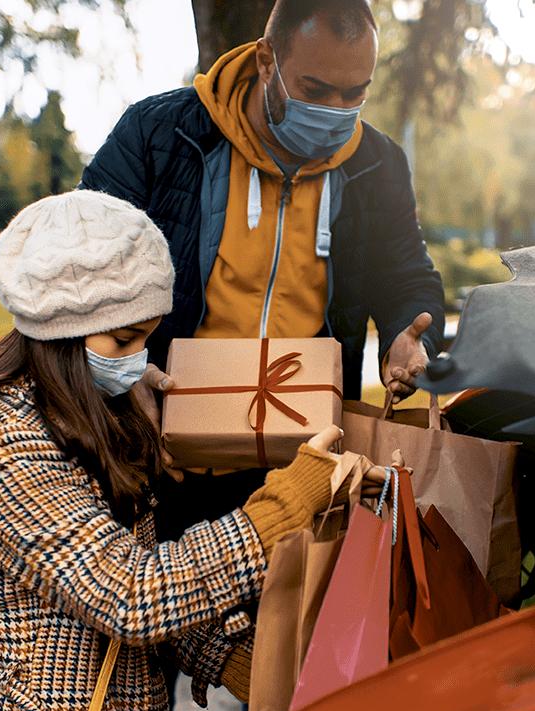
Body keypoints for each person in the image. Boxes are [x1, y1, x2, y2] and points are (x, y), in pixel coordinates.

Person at [0, 190, 380, 711]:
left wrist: (231, 656)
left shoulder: (89, 412)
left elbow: (113, 581)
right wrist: (286, 506)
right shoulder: (4, 442)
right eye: (122, 342)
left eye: (146, 338)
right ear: (63, 331)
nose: (138, 360)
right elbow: (127, 595)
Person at [78, 0, 445, 411]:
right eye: (315, 90)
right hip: (164, 442)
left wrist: (407, 338)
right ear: (266, 61)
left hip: (306, 451)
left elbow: (408, 281)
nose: (335, 110)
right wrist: (124, 371)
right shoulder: (157, 134)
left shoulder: (380, 165)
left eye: (354, 93)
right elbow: (80, 268)